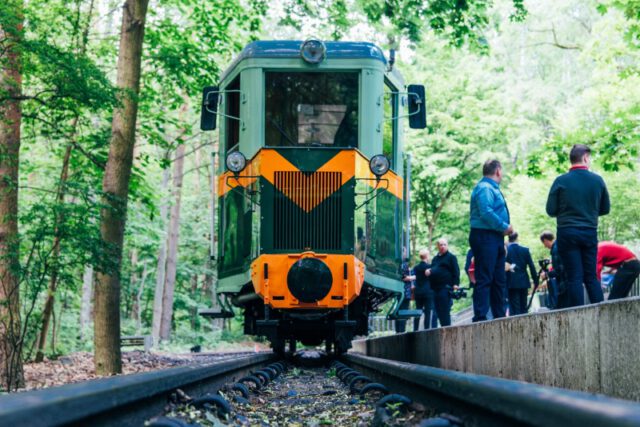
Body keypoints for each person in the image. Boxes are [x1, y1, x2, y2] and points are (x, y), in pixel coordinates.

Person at [546, 144, 610, 307]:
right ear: (586, 158)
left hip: (567, 232)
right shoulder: (597, 180)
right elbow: (605, 209)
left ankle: (577, 317)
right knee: (590, 276)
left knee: (574, 277)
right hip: (589, 231)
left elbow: (550, 210)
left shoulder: (560, 181)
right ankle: (602, 314)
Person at [469, 159, 512, 322]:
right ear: (498, 171)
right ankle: (480, 317)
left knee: (499, 278)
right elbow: (486, 212)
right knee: (485, 277)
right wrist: (504, 226)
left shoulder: (492, 188)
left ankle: (499, 315)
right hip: (484, 236)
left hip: (495, 237)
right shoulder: (485, 188)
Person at [425, 238, 459, 327]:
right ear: (438, 246)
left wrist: (456, 284)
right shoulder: (435, 259)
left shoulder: (451, 257)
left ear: (447, 246)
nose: (443, 246)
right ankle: (443, 327)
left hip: (446, 287)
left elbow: (456, 271)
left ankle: (447, 327)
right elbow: (434, 269)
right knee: (437, 310)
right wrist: (429, 270)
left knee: (445, 309)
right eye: (441, 245)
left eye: (444, 244)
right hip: (435, 288)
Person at [505, 233, 538, 315]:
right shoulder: (525, 250)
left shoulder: (506, 251)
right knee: (524, 306)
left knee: (515, 308)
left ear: (509, 239)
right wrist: (535, 280)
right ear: (517, 238)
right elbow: (531, 266)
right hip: (523, 282)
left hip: (511, 283)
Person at [412, 249, 434, 330]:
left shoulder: (416, 268)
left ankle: (415, 329)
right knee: (427, 312)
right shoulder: (430, 267)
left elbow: (415, 278)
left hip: (418, 292)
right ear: (427, 256)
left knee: (418, 311)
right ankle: (426, 329)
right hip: (428, 292)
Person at [539, 231, 562, 309]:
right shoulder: (559, 246)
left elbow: (559, 269)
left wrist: (546, 274)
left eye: (544, 243)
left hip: (563, 284)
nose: (545, 246)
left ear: (545, 240)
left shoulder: (555, 249)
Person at [395, 256, 414, 333]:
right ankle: (401, 331)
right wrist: (413, 277)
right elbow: (403, 277)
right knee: (403, 311)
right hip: (405, 292)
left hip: (402, 291)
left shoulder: (400, 263)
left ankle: (399, 331)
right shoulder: (403, 264)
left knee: (400, 310)